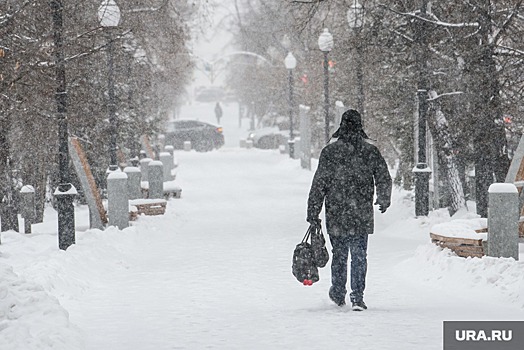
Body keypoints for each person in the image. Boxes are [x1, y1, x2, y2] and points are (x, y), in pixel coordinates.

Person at [306, 109, 392, 311]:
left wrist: (313, 211)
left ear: (341, 126)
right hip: (360, 212)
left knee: (340, 254)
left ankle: (338, 291)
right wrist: (383, 198)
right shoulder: (370, 152)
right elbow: (383, 176)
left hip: (336, 212)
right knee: (360, 255)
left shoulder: (330, 152)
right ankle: (357, 296)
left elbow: (319, 183)